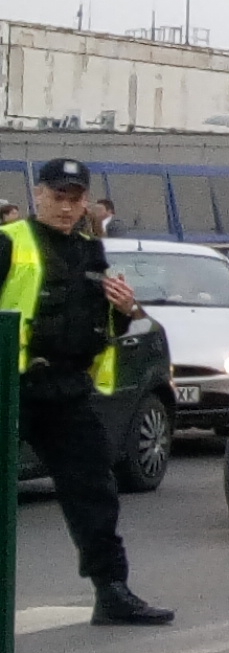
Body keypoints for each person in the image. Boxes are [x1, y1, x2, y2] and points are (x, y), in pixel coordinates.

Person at [4, 157, 169, 625]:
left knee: (95, 491)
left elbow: (102, 324)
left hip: (67, 390)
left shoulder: (89, 251)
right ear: (38, 195)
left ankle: (112, 591)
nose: (65, 207)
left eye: (74, 199)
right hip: (12, 386)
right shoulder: (9, 241)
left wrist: (126, 308)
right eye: (58, 197)